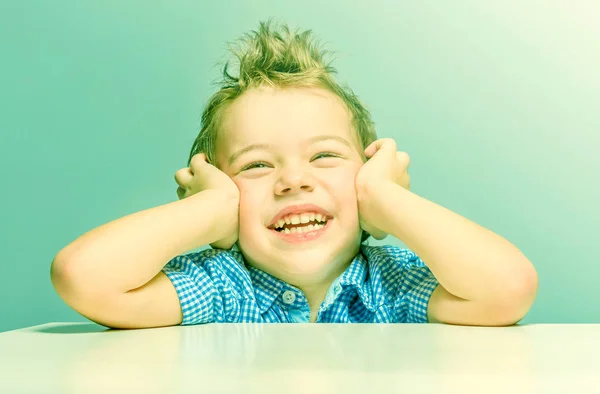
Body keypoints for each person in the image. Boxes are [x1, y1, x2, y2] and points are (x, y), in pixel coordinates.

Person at [51, 20, 538, 329]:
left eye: (325, 157)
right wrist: (210, 211)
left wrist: (385, 198)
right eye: (257, 165)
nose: (293, 181)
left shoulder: (390, 285)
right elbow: (83, 278)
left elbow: (508, 291)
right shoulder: (222, 288)